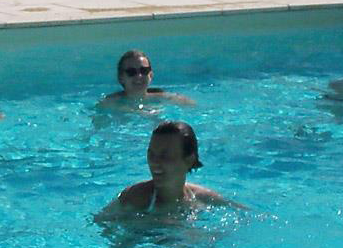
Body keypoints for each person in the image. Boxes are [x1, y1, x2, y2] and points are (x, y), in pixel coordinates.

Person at [97, 122, 242, 219]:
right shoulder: (134, 198)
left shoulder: (201, 197)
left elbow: (247, 215)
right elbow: (101, 225)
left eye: (165, 155)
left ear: (189, 160)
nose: (155, 162)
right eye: (151, 154)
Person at [98, 50, 196, 112]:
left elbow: (195, 108)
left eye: (144, 70)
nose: (139, 76)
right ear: (121, 78)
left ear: (151, 75)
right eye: (131, 72)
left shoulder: (165, 98)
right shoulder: (108, 104)